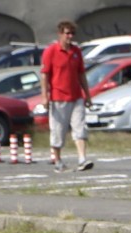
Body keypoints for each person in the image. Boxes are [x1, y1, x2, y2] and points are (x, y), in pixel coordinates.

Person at [40, 20, 93, 173]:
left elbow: (81, 74)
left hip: (76, 96)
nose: (70, 36)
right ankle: (57, 161)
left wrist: (87, 95)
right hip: (58, 97)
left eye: (72, 33)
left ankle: (82, 159)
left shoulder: (76, 52)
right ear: (60, 34)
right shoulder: (51, 51)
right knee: (58, 130)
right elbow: (44, 75)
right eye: (67, 33)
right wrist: (45, 96)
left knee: (80, 127)